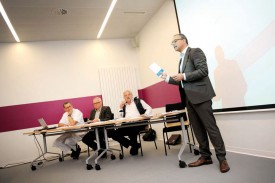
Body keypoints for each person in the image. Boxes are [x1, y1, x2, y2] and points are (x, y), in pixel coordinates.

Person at [161, 33, 230, 173]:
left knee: (211, 128)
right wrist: (167, 78)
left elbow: (203, 71)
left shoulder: (195, 52)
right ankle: (206, 157)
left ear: (184, 40)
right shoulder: (181, 60)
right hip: (189, 100)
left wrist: (183, 76)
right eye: (172, 42)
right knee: (197, 129)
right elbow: (182, 80)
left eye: (175, 41)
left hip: (201, 97)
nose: (173, 44)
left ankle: (222, 159)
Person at [112, 90, 153, 156]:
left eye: (129, 94)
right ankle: (135, 144)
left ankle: (134, 145)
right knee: (114, 133)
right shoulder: (124, 106)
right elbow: (120, 117)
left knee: (131, 129)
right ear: (124, 97)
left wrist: (145, 114)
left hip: (139, 122)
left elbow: (149, 108)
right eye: (125, 95)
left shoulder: (138, 101)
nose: (127, 96)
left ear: (132, 95)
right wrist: (120, 108)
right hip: (127, 124)